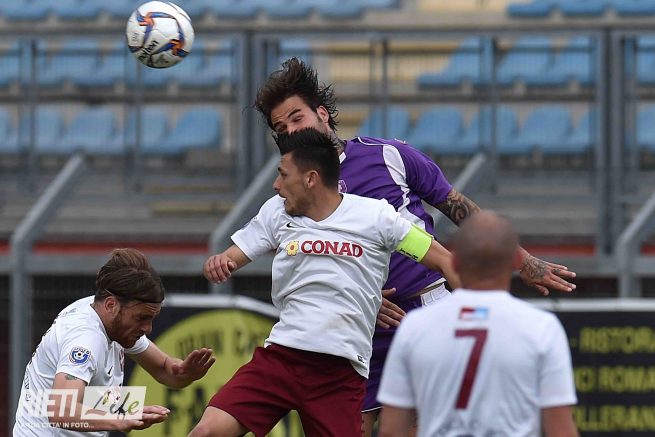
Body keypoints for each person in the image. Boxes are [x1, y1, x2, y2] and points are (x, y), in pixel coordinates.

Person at [254, 57, 578, 435]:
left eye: (297, 118)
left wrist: (522, 262)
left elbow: (457, 206)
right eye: (281, 129)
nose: (292, 131)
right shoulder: (293, 194)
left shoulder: (387, 155)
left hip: (425, 312)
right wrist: (358, 298)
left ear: (322, 113)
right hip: (354, 329)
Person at [188, 128, 461, 437]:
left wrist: (483, 315)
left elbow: (444, 261)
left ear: (310, 179)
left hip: (340, 373)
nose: (276, 185)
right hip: (282, 358)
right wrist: (221, 262)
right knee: (206, 432)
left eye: (283, 175)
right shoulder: (277, 212)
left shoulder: (377, 218)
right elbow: (233, 255)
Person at [377, 211, 579, 437]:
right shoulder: (542, 328)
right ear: (515, 261)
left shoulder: (415, 327)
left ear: (454, 261)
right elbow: (561, 430)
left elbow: (391, 431)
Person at [13, 248, 216, 436]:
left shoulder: (110, 319)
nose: (148, 329)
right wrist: (120, 418)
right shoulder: (85, 338)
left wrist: (183, 373)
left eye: (151, 319)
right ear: (111, 305)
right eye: (141, 318)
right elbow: (61, 411)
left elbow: (165, 369)